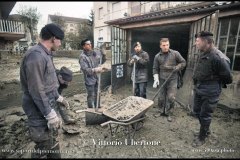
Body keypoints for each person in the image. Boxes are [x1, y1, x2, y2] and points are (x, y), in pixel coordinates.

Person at [20, 23, 68, 158]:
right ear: (53, 38)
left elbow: (48, 82)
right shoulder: (36, 55)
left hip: (47, 104)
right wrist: (49, 113)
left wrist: (58, 96)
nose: (60, 43)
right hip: (38, 110)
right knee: (43, 145)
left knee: (52, 142)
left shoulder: (46, 54)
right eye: (60, 40)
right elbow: (36, 89)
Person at [192, 31, 232, 147]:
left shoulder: (218, 57)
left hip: (210, 91)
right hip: (200, 88)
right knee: (196, 111)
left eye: (198, 41)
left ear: (207, 42)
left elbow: (228, 78)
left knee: (205, 114)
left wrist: (214, 83)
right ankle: (206, 130)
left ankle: (202, 137)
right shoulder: (203, 52)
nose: (196, 43)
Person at [152, 38, 186, 122]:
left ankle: (168, 112)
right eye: (163, 45)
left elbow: (183, 62)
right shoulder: (157, 56)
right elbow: (155, 68)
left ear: (169, 45)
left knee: (171, 97)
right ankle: (160, 111)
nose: (165, 47)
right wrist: (156, 79)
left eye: (167, 45)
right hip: (162, 78)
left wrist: (178, 67)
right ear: (160, 46)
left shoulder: (175, 53)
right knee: (161, 97)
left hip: (173, 79)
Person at [79, 39, 106, 108]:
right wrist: (96, 69)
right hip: (89, 79)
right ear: (83, 46)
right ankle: (91, 109)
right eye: (88, 44)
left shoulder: (94, 54)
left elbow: (101, 61)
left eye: (90, 43)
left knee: (98, 93)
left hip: (97, 77)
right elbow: (85, 70)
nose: (90, 45)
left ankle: (98, 107)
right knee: (91, 95)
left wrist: (104, 54)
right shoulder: (82, 57)